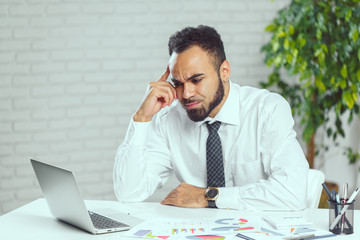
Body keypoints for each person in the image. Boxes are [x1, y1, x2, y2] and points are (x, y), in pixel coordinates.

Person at [113, 25, 309, 211]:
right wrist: (142, 117)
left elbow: (293, 192)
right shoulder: (168, 119)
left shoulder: (266, 110)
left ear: (224, 71)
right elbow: (129, 193)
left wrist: (208, 197)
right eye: (178, 83)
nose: (186, 93)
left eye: (196, 80)